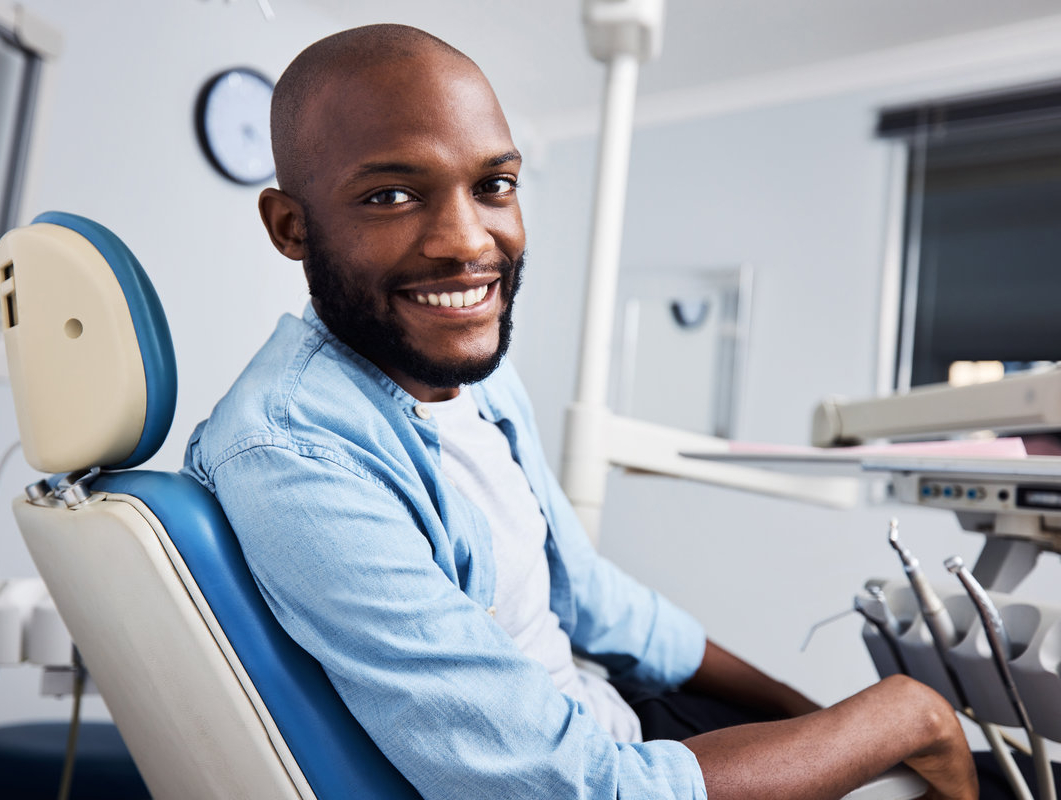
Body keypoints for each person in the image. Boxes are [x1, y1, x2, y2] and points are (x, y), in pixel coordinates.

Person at [184, 23, 978, 799]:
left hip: (626, 726)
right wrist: (903, 717)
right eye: (391, 195)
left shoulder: (473, 374)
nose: (468, 241)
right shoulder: (294, 456)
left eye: (493, 185)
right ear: (291, 227)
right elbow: (573, 788)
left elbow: (591, 596)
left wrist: (814, 719)